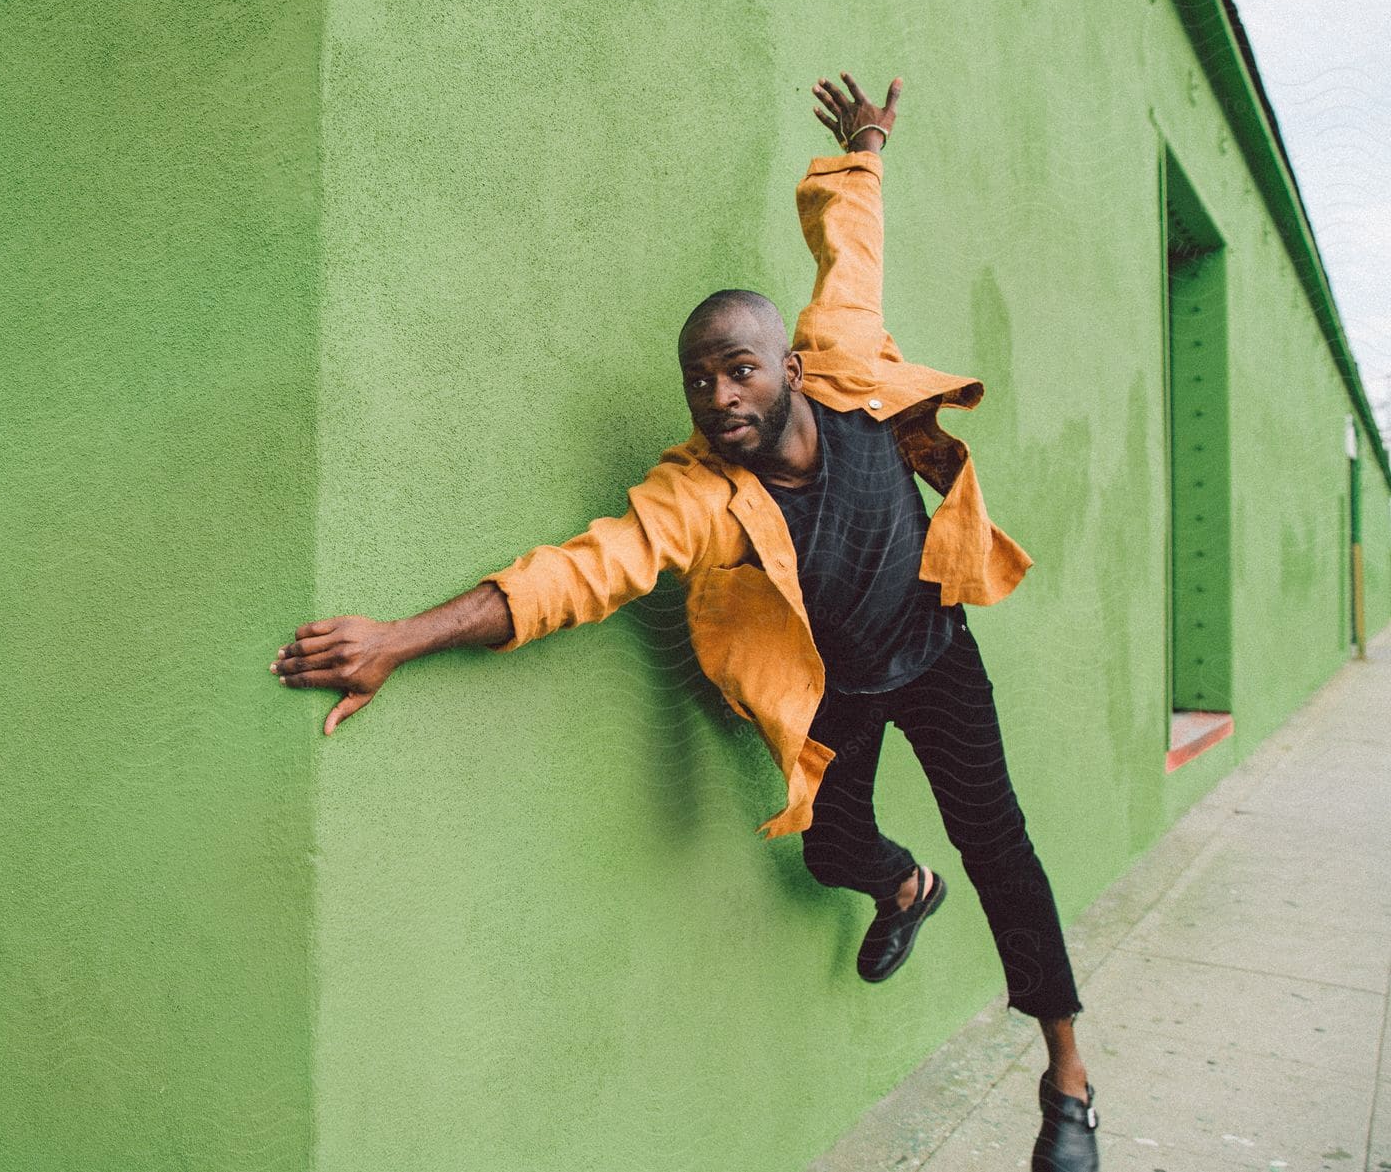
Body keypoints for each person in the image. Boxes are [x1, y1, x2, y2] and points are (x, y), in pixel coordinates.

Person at [270, 73, 1099, 1172]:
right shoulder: (701, 495)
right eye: (697, 383)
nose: (718, 399)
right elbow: (579, 571)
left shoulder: (847, 372)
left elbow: (850, 250)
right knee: (828, 850)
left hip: (937, 652)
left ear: (790, 368)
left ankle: (1069, 1081)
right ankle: (906, 886)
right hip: (840, 692)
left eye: (739, 371)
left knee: (1001, 842)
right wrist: (398, 638)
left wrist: (862, 149)